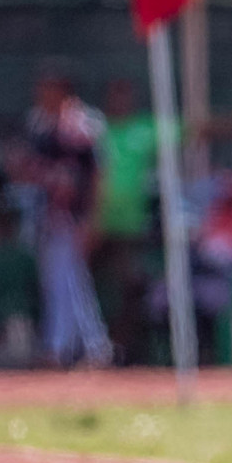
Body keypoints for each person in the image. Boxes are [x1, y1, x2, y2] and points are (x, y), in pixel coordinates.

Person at [22, 72, 112, 367]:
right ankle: (84, 347)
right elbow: (31, 169)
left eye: (48, 90)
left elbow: (99, 175)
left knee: (70, 281)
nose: (42, 96)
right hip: (51, 215)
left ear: (63, 90)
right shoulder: (43, 124)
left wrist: (94, 219)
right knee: (62, 282)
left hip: (76, 216)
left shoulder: (83, 124)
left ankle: (74, 347)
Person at [91, 79, 159, 364]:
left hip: (129, 229)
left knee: (131, 288)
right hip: (95, 226)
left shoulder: (142, 130)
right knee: (93, 290)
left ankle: (123, 349)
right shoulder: (96, 131)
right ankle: (97, 345)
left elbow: (191, 129)